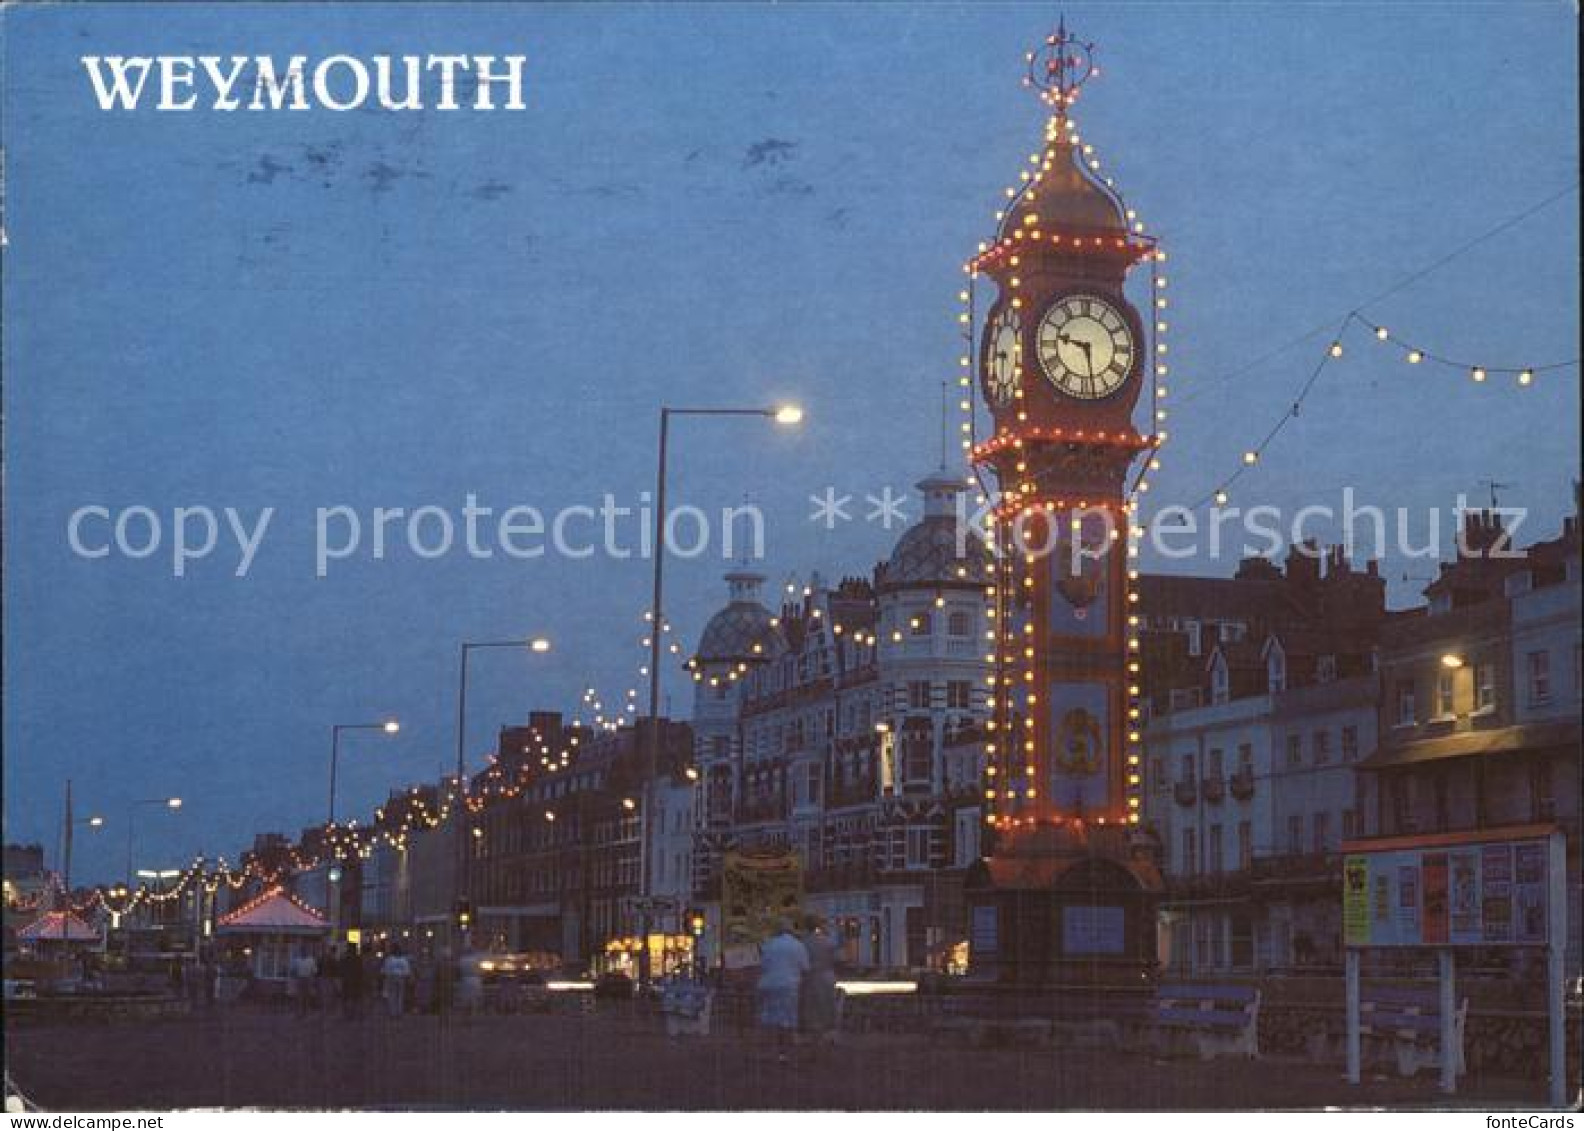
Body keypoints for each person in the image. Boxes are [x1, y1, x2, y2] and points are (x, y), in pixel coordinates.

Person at [756, 919, 809, 1063]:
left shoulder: (769, 944)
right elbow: (805, 967)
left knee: (769, 1018)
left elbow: (762, 964)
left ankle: (771, 1051)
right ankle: (784, 1053)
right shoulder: (798, 946)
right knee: (787, 1019)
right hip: (788, 985)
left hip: (768, 983)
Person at [799, 918, 840, 1045]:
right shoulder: (827, 941)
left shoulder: (803, 943)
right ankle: (828, 1034)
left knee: (811, 1006)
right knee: (827, 1005)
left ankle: (813, 1034)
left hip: (810, 976)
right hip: (827, 974)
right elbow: (837, 958)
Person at [381, 946, 412, 1018]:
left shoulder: (389, 959)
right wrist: (407, 978)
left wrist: (385, 978)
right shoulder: (403, 960)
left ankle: (393, 1012)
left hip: (391, 977)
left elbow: (384, 970)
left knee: (392, 995)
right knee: (400, 995)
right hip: (401, 978)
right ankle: (399, 1012)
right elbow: (407, 971)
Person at [338, 942, 365, 1020]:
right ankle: (352, 1013)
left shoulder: (345, 957)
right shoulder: (357, 958)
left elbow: (341, 970)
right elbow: (361, 971)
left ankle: (348, 1014)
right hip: (354, 980)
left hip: (348, 980)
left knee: (347, 998)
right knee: (354, 998)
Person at [288, 951, 318, 1017]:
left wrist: (312, 979)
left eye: (305, 951)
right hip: (300, 978)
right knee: (300, 996)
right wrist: (295, 976)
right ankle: (300, 1011)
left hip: (308, 978)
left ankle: (307, 1011)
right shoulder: (297, 960)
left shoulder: (311, 960)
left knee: (307, 995)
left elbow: (314, 971)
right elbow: (292, 970)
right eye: (302, 951)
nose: (303, 953)